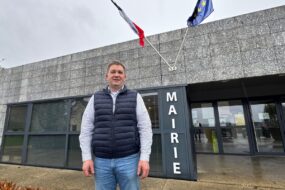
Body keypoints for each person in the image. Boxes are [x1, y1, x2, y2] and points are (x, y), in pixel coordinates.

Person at [79, 61, 153, 190]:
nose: (116, 75)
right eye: (113, 72)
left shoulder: (135, 97)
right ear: (106, 76)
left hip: (129, 160)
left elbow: (145, 129)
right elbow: (86, 130)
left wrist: (144, 158)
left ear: (125, 77)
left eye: (120, 72)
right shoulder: (95, 98)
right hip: (101, 162)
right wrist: (86, 158)